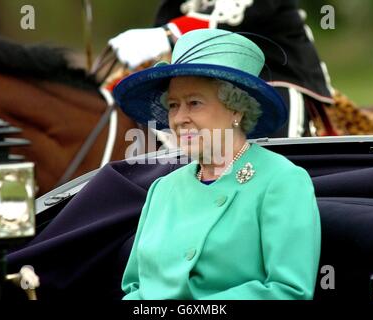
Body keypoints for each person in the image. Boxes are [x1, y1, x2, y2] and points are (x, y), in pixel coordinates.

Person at [113, 28, 321, 300]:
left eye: (194, 103)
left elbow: (289, 291)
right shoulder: (162, 189)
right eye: (174, 105)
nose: (179, 118)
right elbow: (135, 289)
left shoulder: (281, 181)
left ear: (236, 109)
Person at [108, 0, 334, 138]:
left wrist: (168, 33)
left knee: (277, 149)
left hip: (273, 70)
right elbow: (168, 15)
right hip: (202, 72)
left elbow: (237, 10)